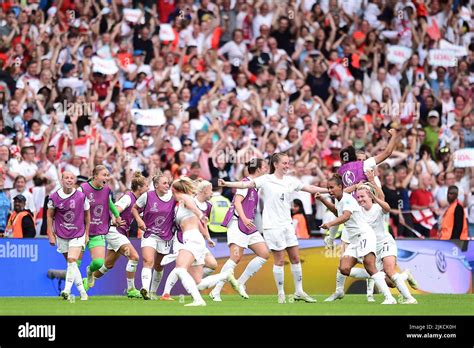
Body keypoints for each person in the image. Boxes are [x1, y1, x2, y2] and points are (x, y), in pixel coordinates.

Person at [219, 152, 326, 303]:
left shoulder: (290, 181)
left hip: (287, 225)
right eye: (284, 163)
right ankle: (281, 294)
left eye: (288, 163)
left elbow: (309, 188)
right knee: (279, 260)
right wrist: (227, 184)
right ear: (275, 164)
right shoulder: (266, 179)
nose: (287, 165)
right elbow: (245, 184)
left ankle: (299, 291)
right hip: (272, 226)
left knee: (295, 257)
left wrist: (329, 190)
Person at [317, 175, 397, 304]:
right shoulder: (339, 200)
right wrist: (322, 200)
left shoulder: (348, 199)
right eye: (328, 188)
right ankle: (339, 291)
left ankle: (390, 297)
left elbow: (345, 217)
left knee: (369, 266)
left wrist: (329, 224)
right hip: (355, 239)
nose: (330, 190)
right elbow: (337, 213)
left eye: (331, 187)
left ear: (340, 187)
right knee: (343, 268)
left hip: (365, 235)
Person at [165, 177, 240, 306]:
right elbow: (198, 220)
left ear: (174, 190)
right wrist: (207, 236)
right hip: (194, 239)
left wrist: (200, 215)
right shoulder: (183, 201)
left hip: (192, 238)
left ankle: (197, 300)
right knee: (198, 282)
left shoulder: (185, 197)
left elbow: (193, 207)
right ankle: (225, 276)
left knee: (180, 269)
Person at [210, 159, 270, 302]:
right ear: (259, 169)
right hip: (238, 223)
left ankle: (240, 283)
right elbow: (237, 201)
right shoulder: (245, 182)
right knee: (235, 258)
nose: (267, 169)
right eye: (265, 167)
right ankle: (215, 291)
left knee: (264, 253)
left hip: (247, 225)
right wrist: (243, 218)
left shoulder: (255, 185)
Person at [89, 172, 150, 298]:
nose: (148, 189)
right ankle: (131, 289)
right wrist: (115, 218)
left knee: (108, 265)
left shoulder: (140, 202)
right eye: (146, 186)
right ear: (139, 188)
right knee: (134, 257)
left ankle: (86, 281)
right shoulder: (128, 198)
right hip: (113, 231)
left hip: (120, 232)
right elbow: (116, 208)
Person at [132, 172, 176, 300]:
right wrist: (140, 221)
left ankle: (153, 292)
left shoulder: (173, 197)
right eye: (164, 183)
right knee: (148, 261)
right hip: (150, 233)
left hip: (166, 236)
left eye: (168, 183)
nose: (167, 185)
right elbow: (134, 209)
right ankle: (145, 288)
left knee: (159, 265)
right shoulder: (147, 196)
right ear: (156, 185)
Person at [46, 171, 90, 301]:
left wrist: (87, 233)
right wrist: (50, 234)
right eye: (66, 178)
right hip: (61, 233)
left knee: (72, 260)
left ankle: (66, 290)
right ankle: (83, 292)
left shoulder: (82, 196)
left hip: (78, 233)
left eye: (71, 178)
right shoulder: (54, 197)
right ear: (62, 180)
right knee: (72, 264)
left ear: (74, 181)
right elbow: (49, 215)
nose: (69, 180)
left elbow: (87, 215)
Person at [80, 165, 122, 290]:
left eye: (108, 175)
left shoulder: (106, 190)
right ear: (95, 176)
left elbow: (109, 203)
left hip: (97, 230)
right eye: (104, 175)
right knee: (74, 263)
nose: (107, 178)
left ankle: (89, 271)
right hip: (81, 231)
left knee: (99, 263)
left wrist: (117, 215)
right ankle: (68, 290)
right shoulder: (83, 189)